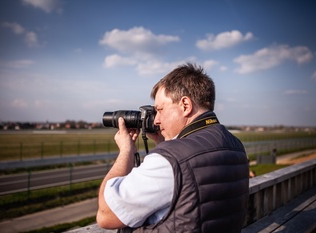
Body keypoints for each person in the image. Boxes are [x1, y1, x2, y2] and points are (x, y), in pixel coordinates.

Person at [97, 63, 249, 232]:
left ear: (185, 105)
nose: (156, 120)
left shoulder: (169, 160)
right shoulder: (234, 145)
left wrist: (126, 151)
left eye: (160, 110)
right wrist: (164, 143)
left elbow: (106, 215)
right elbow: (194, 191)